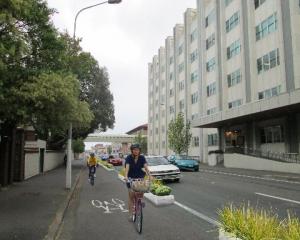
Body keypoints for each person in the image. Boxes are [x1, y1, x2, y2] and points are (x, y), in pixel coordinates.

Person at [124, 144, 152, 221]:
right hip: (130, 178)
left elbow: (146, 167)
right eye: (134, 150)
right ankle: (130, 213)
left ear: (139, 150)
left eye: (137, 149)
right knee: (131, 196)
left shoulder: (142, 157)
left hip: (140, 177)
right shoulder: (129, 158)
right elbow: (127, 168)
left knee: (142, 190)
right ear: (132, 150)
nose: (136, 151)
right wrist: (126, 176)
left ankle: (139, 201)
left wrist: (150, 175)